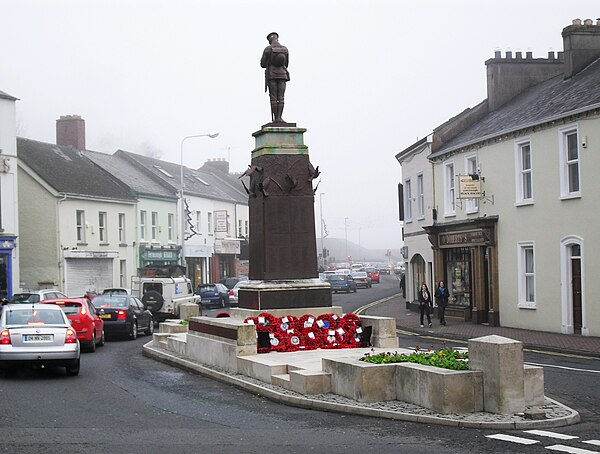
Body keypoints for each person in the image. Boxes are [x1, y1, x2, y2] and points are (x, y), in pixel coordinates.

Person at [260, 32, 290, 123]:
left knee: (273, 97)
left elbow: (262, 64)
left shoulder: (268, 49)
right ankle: (279, 117)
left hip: (272, 75)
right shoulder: (285, 49)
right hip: (282, 75)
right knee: (281, 97)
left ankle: (276, 118)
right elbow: (286, 64)